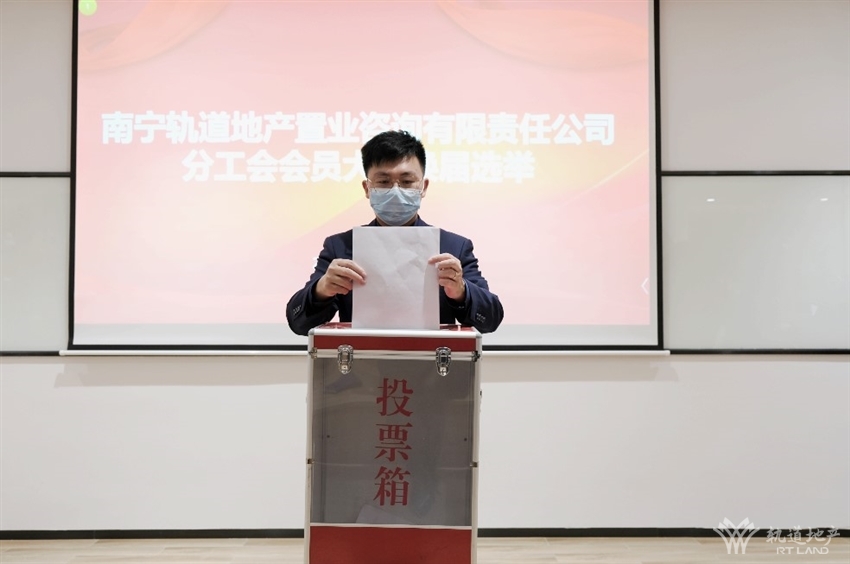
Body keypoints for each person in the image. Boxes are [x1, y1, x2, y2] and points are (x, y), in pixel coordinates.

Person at [286, 130, 503, 335]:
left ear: (423, 187)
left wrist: (461, 291)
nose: (395, 190)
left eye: (407, 181)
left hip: (434, 360)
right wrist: (321, 290)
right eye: (383, 182)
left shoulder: (453, 247)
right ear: (367, 189)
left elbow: (491, 319)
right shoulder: (341, 246)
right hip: (361, 359)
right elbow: (298, 323)